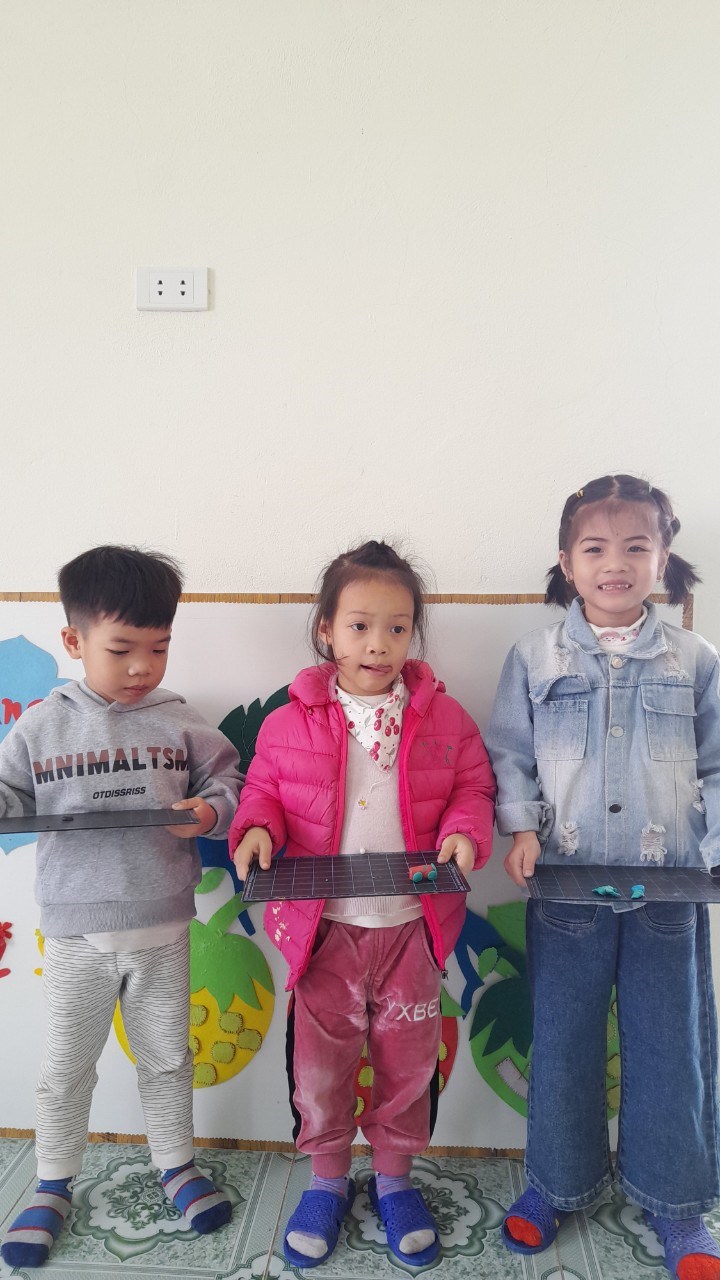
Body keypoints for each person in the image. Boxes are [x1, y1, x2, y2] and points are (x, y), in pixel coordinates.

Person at [230, 540, 495, 1269]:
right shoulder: (287, 722)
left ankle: (395, 1180)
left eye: (397, 627)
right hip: (324, 933)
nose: (378, 643)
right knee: (321, 1069)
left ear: (413, 633)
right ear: (326, 629)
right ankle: (326, 1180)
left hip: (412, 928)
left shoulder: (445, 718)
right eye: (359, 625)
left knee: (408, 1064)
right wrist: (255, 829)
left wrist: (465, 832)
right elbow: (263, 793)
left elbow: (474, 787)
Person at [486, 474, 720, 1280]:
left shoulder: (695, 658)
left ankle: (677, 1202)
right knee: (563, 1043)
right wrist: (521, 828)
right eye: (595, 548)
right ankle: (557, 1183)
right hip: (565, 888)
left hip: (671, 890)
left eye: (635, 546)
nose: (615, 563)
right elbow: (510, 754)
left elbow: (718, 765)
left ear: (663, 557)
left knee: (671, 1048)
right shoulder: (534, 655)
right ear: (567, 561)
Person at [0, 546, 242, 1268]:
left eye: (159, 648)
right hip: (77, 934)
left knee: (168, 1057)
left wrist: (210, 812)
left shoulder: (181, 720)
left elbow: (229, 786)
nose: (142, 666)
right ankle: (52, 1183)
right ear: (73, 641)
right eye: (122, 649)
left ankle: (176, 1165)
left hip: (164, 927)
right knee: (65, 1065)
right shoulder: (40, 726)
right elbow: (9, 793)